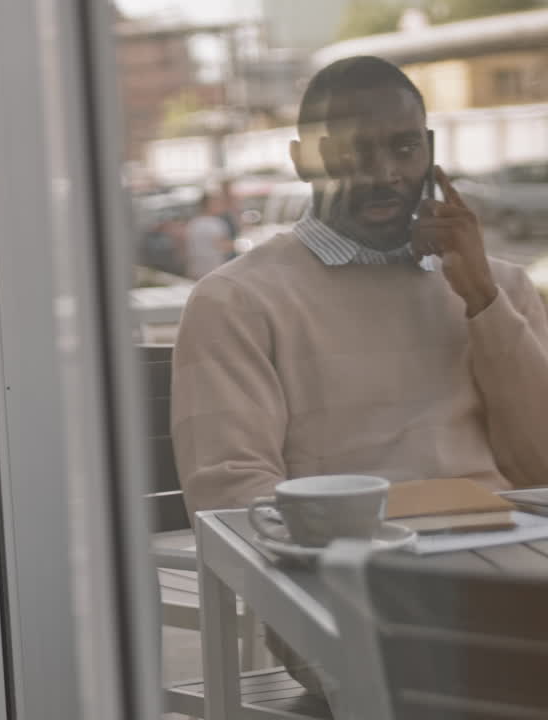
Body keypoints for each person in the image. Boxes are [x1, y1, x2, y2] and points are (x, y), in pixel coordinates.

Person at [171, 56, 548, 697]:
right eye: (353, 151)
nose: (384, 173)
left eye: (404, 147)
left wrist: (481, 298)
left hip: (517, 573)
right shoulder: (236, 300)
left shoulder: (500, 285)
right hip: (345, 594)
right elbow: (232, 499)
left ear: (429, 150)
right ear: (301, 160)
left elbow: (541, 464)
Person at [183, 192, 233, 279]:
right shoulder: (215, 223)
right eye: (217, 203)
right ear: (209, 204)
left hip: (195, 270)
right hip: (213, 270)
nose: (220, 205)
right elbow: (222, 245)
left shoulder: (193, 223)